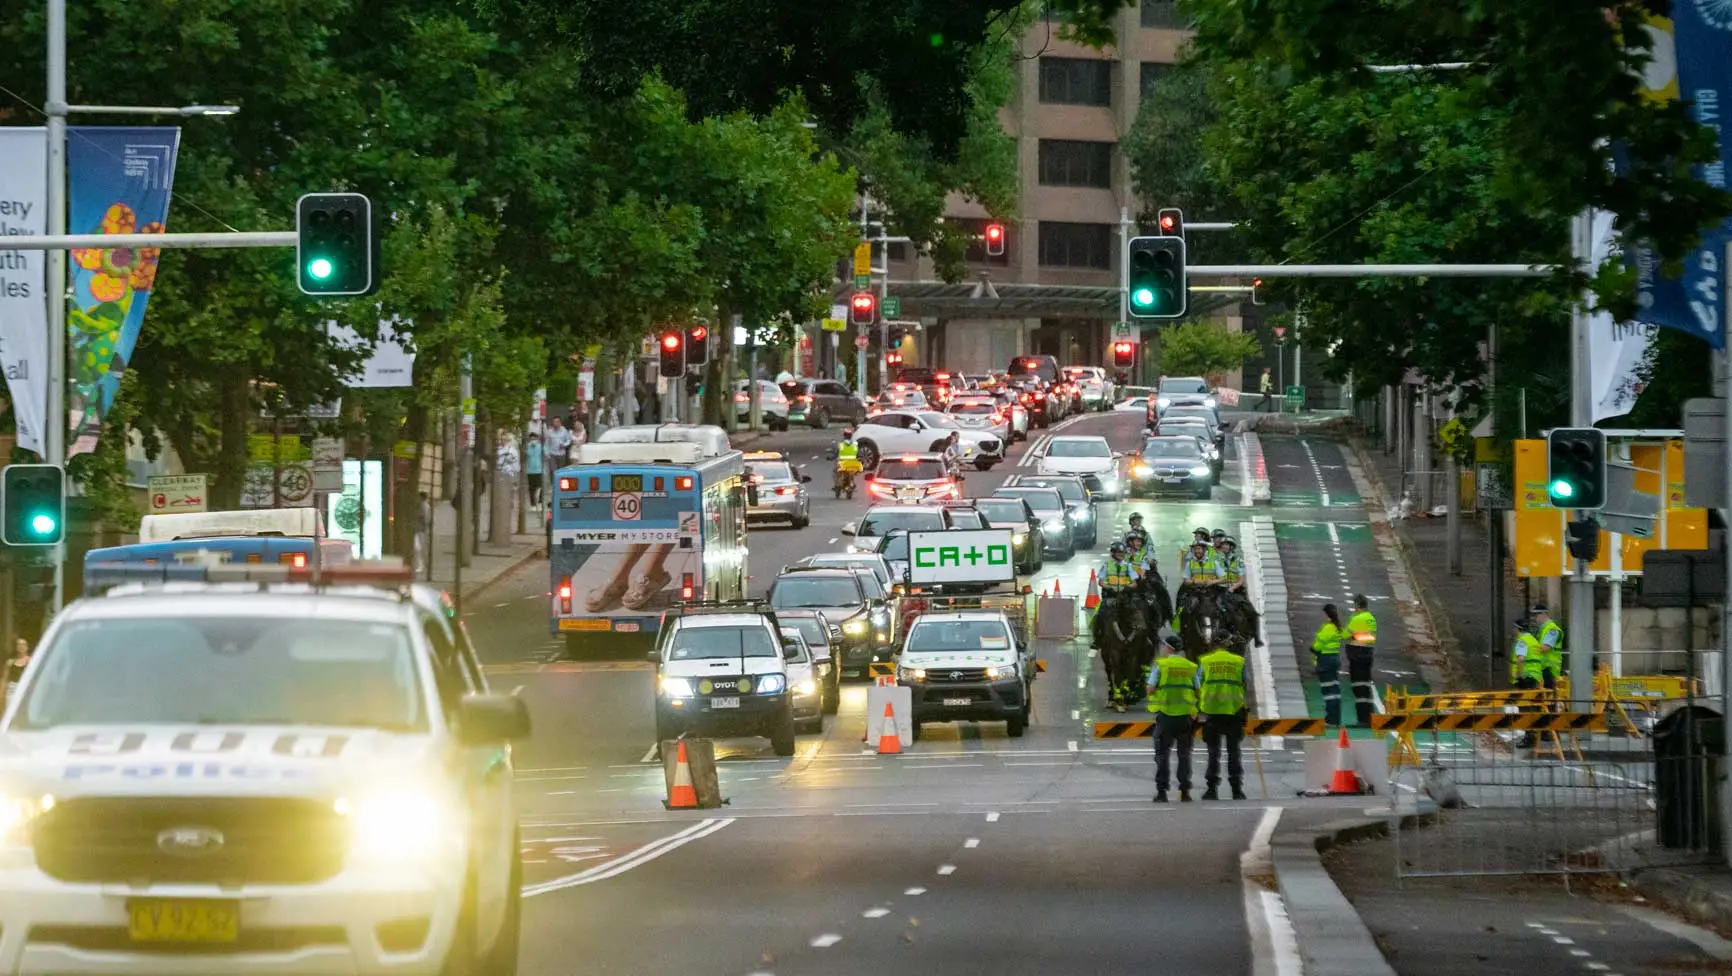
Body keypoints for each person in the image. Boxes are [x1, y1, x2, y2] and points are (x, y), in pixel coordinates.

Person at [1146, 636, 1197, 803]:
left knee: (1162, 756)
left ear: (1168, 648)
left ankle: (1162, 793)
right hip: (1185, 717)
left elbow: (1150, 689)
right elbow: (1197, 690)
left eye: (1162, 646)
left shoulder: (1161, 665)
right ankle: (1185, 792)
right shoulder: (1190, 666)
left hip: (1166, 715)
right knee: (1184, 756)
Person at [1197, 643, 1249, 801]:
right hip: (1234, 711)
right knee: (1234, 752)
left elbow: (1198, 684)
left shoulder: (1205, 661)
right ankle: (1237, 790)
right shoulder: (1238, 661)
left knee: (1213, 752)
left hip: (1211, 712)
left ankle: (1211, 789)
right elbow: (1245, 683)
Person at [1089, 541, 1142, 648]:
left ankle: (1144, 639)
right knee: (1099, 615)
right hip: (1111, 596)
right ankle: (1097, 639)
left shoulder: (1128, 566)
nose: (1121, 555)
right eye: (1118, 553)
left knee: (1139, 614)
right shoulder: (1107, 565)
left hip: (1125, 596)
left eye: (1122, 553)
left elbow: (1134, 583)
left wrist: (1128, 587)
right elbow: (1101, 582)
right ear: (1113, 553)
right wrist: (1109, 588)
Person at [1345, 594, 1378, 726]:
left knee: (1358, 687)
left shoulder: (1357, 619)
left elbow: (1345, 634)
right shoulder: (1371, 618)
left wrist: (1352, 636)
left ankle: (1363, 719)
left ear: (1357, 605)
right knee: (1365, 686)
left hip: (1357, 655)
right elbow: (1371, 637)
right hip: (1367, 654)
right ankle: (1369, 717)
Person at [1312, 604, 1345, 726]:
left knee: (1328, 691)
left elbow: (1318, 645)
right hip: (1334, 659)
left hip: (1325, 660)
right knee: (1334, 689)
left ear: (1326, 614)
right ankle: (1335, 718)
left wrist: (1313, 649)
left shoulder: (1328, 628)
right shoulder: (1337, 627)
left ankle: (1331, 719)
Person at [1530, 604, 1564, 693]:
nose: (1534, 618)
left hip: (1550, 670)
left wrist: (1528, 648)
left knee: (1549, 697)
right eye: (1533, 615)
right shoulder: (1542, 629)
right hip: (1543, 669)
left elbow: (1545, 648)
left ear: (1544, 614)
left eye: (1536, 615)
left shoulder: (1552, 629)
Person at [525, 431, 545, 509]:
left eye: (534, 439)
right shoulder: (527, 447)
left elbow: (545, 455)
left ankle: (540, 503)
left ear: (537, 439)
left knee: (540, 487)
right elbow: (526, 455)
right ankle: (532, 504)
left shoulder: (540, 447)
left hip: (539, 470)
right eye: (531, 439)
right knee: (531, 488)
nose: (533, 440)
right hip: (530, 470)